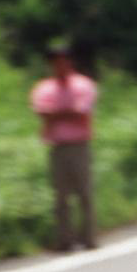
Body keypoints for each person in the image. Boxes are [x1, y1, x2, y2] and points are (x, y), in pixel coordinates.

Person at [30, 40, 98, 250]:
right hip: (57, 146)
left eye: (63, 61)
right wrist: (66, 112)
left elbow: (81, 112)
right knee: (60, 196)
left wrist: (56, 114)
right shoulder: (44, 88)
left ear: (70, 62)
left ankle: (88, 238)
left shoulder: (83, 85)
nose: (60, 65)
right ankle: (64, 240)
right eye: (55, 62)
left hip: (79, 144)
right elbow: (42, 112)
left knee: (84, 193)